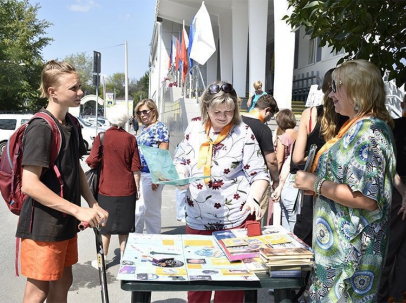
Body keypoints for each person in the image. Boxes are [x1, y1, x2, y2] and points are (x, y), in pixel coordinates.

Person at [294, 59, 396, 302]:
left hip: (351, 259)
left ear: (357, 90)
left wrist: (316, 184)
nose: (331, 95)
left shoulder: (370, 133)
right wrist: (322, 188)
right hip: (339, 254)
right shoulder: (358, 127)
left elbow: (367, 199)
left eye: (337, 88)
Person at [16, 60, 108, 303]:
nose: (80, 92)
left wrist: (92, 204)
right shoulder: (41, 127)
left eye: (80, 86)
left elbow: (74, 167)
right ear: (52, 92)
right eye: (73, 88)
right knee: (38, 291)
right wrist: (77, 210)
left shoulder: (71, 123)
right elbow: (30, 183)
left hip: (66, 222)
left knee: (63, 282)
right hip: (43, 225)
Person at [174, 81, 270, 303]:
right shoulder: (194, 128)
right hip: (198, 219)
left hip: (234, 221)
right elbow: (182, 160)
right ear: (206, 108)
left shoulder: (243, 132)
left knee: (230, 286)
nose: (223, 116)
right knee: (199, 283)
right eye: (217, 111)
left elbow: (259, 173)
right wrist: (180, 176)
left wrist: (254, 198)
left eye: (229, 111)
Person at [86, 109, 141, 267]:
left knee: (105, 226)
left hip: (106, 188)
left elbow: (92, 160)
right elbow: (135, 167)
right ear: (124, 121)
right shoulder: (131, 138)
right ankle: (125, 259)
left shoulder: (102, 137)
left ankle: (102, 260)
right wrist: (137, 188)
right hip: (127, 188)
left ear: (109, 120)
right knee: (125, 227)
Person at [377, 115, 406, 302]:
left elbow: (390, 164)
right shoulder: (396, 126)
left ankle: (385, 296)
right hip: (398, 190)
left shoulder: (396, 126)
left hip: (398, 191)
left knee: (389, 249)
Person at [242, 94, 280, 222]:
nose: (269, 119)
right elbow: (272, 160)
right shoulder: (263, 129)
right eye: (271, 115)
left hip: (237, 182)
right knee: (254, 220)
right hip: (256, 181)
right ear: (267, 110)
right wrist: (276, 180)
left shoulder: (238, 122)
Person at [134, 99, 170, 234]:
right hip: (142, 174)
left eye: (145, 111)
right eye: (139, 112)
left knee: (151, 212)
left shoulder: (159, 127)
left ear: (153, 111)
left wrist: (157, 176)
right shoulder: (145, 128)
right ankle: (137, 241)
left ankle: (153, 242)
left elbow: (163, 151)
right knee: (139, 210)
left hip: (151, 174)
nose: (142, 115)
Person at [271, 109, 297, 231]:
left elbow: (279, 160)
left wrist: (275, 179)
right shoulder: (299, 135)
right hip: (296, 177)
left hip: (284, 178)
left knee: (284, 218)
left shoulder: (282, 138)